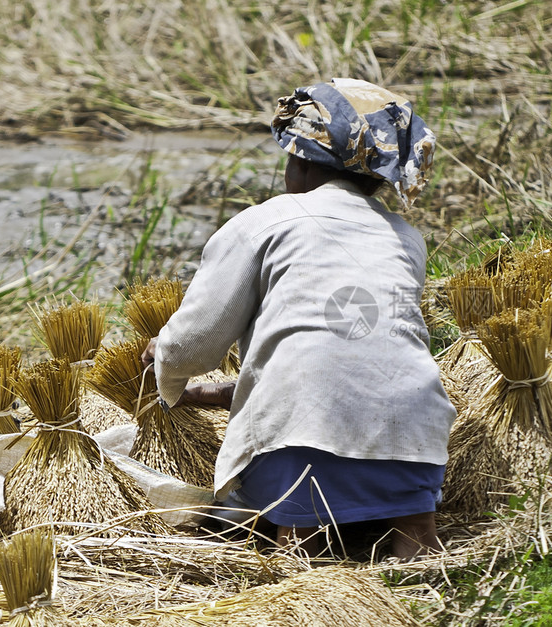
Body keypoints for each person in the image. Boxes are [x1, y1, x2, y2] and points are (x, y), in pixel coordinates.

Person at [141, 78, 456, 559]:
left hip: (305, 446)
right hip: (415, 442)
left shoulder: (265, 222)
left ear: (302, 161)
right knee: (410, 530)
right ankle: (418, 545)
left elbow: (196, 342)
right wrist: (207, 394)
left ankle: (305, 565)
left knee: (287, 533)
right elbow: (354, 360)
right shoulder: (406, 237)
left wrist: (164, 359)